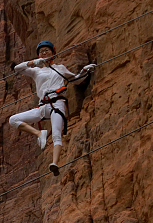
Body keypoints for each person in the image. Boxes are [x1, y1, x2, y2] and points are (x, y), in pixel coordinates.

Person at [9, 40, 96, 175]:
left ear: (53, 52)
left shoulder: (60, 68)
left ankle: (54, 163)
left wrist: (85, 71)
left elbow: (76, 80)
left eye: (46, 50)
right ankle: (39, 134)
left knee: (56, 134)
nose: (44, 53)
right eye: (41, 51)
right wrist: (33, 62)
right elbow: (17, 69)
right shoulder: (36, 71)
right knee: (13, 120)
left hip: (57, 104)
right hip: (42, 106)